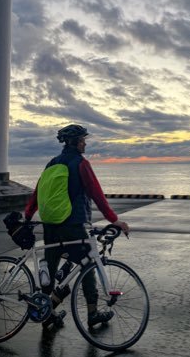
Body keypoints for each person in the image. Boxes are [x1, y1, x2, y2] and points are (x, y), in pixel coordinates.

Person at [24, 124, 129, 328]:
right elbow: (96, 193)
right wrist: (114, 219)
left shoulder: (51, 163)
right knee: (88, 265)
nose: (85, 143)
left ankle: (48, 311)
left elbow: (38, 192)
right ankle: (92, 313)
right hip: (73, 224)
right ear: (76, 142)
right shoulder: (81, 164)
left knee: (51, 268)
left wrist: (28, 215)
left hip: (51, 225)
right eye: (83, 140)